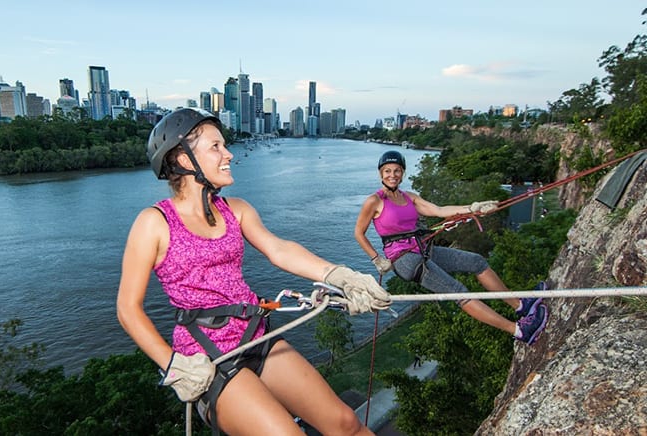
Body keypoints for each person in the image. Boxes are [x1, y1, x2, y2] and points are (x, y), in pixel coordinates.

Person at [116, 108, 391, 435]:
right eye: (215, 147)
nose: (228, 154)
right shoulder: (154, 223)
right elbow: (127, 309)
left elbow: (279, 249)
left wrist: (339, 275)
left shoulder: (236, 210)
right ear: (185, 160)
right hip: (207, 357)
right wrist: (173, 365)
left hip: (255, 336)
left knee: (345, 423)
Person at [354, 150, 548, 345]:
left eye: (397, 170)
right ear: (381, 174)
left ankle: (521, 306)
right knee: (459, 291)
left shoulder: (409, 197)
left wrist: (472, 208)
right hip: (405, 261)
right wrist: (376, 259)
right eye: (387, 171)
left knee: (477, 262)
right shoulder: (375, 201)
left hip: (423, 251)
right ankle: (520, 331)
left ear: (402, 173)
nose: (392, 175)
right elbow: (359, 233)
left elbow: (439, 211)